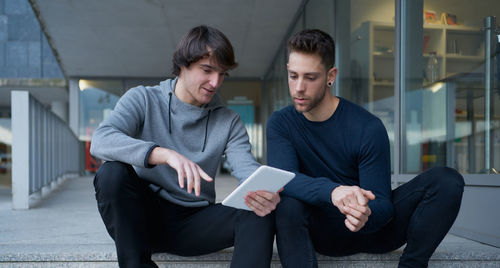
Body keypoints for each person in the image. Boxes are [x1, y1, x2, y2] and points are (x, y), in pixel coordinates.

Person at [266, 29, 465, 268]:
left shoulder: (367, 127)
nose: (298, 88)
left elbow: (382, 203)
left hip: (371, 231)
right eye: (293, 75)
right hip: (317, 233)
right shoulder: (281, 123)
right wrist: (334, 191)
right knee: (288, 204)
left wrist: (365, 214)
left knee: (447, 180)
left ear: (331, 76)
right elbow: (285, 180)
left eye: (310, 78)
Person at [91, 25, 280, 268]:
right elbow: (101, 139)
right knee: (111, 173)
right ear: (182, 65)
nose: (215, 82)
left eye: (222, 74)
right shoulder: (143, 99)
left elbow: (246, 170)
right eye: (207, 70)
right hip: (140, 220)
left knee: (257, 210)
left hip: (195, 223)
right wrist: (162, 154)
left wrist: (264, 191)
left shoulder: (228, 121)